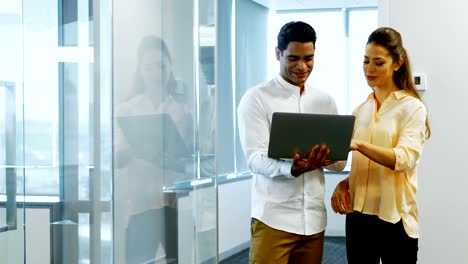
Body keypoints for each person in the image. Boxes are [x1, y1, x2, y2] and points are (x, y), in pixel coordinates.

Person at [237, 21, 347, 264]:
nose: (302, 66)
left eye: (309, 58)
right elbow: (255, 158)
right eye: (293, 58)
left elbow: (339, 164)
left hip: (314, 221)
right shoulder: (256, 98)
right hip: (273, 219)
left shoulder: (325, 101)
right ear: (278, 53)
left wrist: (330, 158)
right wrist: (292, 168)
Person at [330, 27, 431, 264]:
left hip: (394, 220)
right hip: (358, 217)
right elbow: (356, 163)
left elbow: (403, 159)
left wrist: (359, 145)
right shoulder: (361, 110)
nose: (369, 69)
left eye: (378, 62)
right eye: (365, 61)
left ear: (397, 64)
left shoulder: (412, 107)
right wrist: (344, 183)